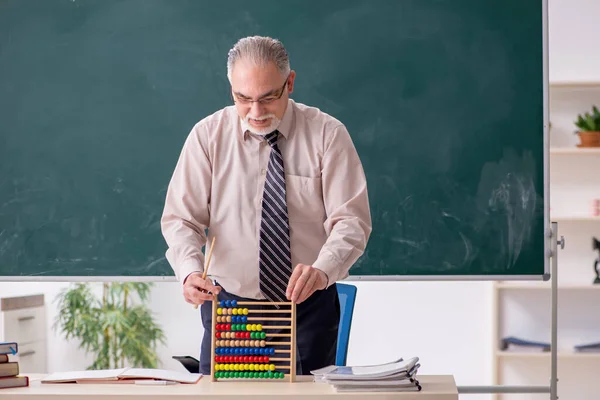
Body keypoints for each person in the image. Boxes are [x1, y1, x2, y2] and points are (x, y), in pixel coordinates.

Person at [161, 35, 372, 375]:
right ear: (231, 89)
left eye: (268, 98)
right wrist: (188, 271)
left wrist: (321, 270)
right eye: (243, 99)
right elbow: (180, 219)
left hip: (307, 307)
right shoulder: (207, 136)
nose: (255, 112)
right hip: (231, 308)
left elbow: (352, 221)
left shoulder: (327, 135)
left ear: (290, 83)